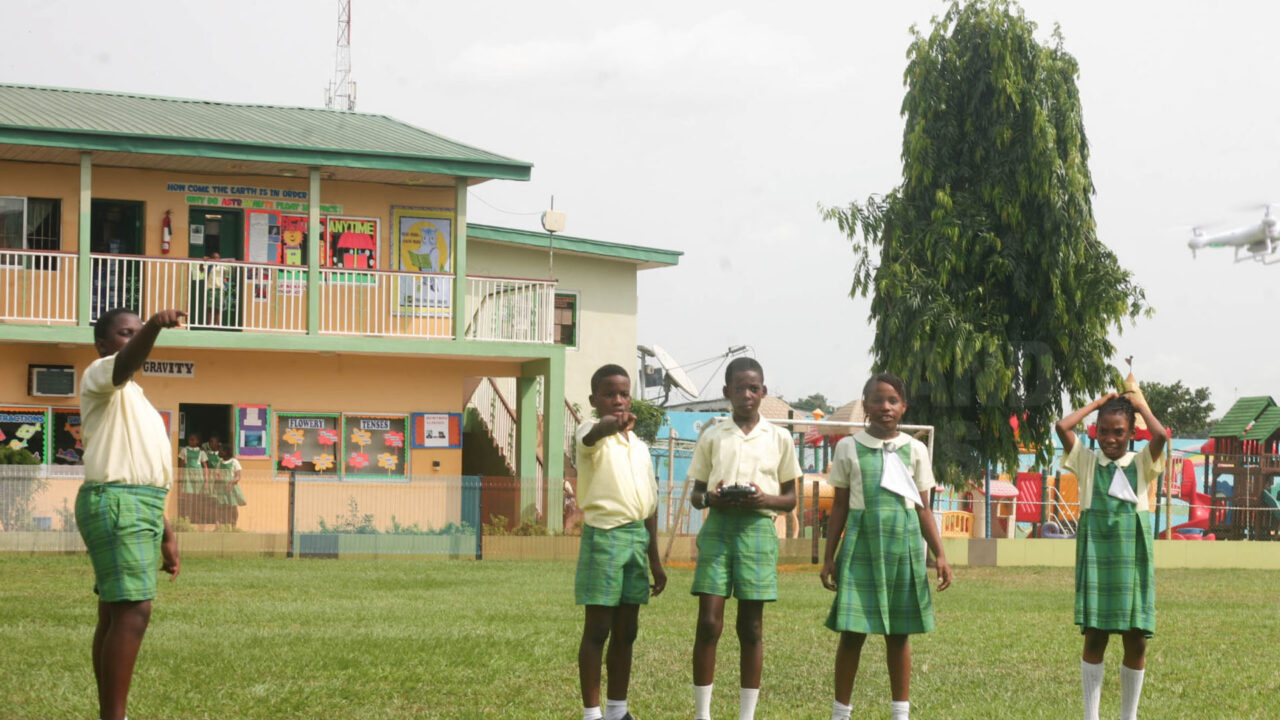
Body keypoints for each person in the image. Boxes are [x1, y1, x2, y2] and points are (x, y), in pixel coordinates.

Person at [819, 373, 952, 720]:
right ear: (865, 406)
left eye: (893, 400)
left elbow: (923, 509)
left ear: (904, 406)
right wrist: (829, 557)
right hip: (860, 545)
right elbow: (840, 506)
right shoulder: (848, 447)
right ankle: (840, 713)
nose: (885, 407)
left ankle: (900, 713)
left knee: (898, 634)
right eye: (877, 400)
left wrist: (940, 554)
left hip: (902, 546)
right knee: (852, 633)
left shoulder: (916, 449)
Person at [76, 307, 184, 720]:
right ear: (102, 344)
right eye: (126, 333)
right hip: (119, 500)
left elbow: (142, 467)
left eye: (137, 331)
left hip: (139, 503)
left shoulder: (135, 397)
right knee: (134, 610)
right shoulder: (102, 373)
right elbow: (125, 362)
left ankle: (111, 714)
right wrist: (154, 325)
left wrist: (166, 532)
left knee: (115, 611)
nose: (134, 338)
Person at [688, 357, 800, 720]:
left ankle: (746, 715)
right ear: (727, 392)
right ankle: (702, 714)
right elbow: (696, 495)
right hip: (719, 528)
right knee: (709, 623)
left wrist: (762, 499)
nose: (747, 395)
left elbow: (790, 499)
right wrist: (711, 498)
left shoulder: (779, 438)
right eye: (740, 388)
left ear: (763, 391)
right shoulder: (713, 435)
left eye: (754, 388)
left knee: (751, 627)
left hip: (757, 531)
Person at [1055, 392, 1166, 720]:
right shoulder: (1087, 462)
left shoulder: (1141, 463)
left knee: (1136, 640)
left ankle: (1128, 716)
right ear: (1096, 431)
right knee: (1095, 637)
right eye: (1103, 431)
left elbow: (1160, 436)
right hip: (1097, 558)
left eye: (1119, 432)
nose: (1110, 438)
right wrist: (1098, 403)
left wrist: (1140, 405)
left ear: (1132, 432)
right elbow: (1062, 427)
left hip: (1132, 559)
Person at [575, 364, 666, 720]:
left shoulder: (640, 447)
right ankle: (592, 713)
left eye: (624, 394)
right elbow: (594, 433)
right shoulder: (590, 434)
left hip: (636, 540)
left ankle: (617, 710)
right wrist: (610, 425)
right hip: (605, 536)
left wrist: (655, 560)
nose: (618, 400)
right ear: (594, 399)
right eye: (609, 394)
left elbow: (650, 505)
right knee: (598, 628)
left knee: (627, 630)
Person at [177, 432, 209, 524]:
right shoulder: (184, 450)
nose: (190, 441)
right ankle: (188, 519)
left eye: (193, 440)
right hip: (187, 477)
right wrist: (180, 478)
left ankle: (196, 519)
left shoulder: (201, 452)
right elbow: (181, 465)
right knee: (188, 500)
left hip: (198, 478)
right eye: (189, 439)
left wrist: (206, 481)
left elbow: (205, 467)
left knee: (197, 500)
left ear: (197, 441)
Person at [215, 444, 245, 528]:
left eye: (221, 451)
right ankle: (219, 526)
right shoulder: (220, 462)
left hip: (231, 488)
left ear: (226, 452)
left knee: (233, 507)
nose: (219, 452)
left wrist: (231, 483)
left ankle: (233, 525)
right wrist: (215, 485)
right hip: (221, 488)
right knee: (220, 506)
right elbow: (217, 475)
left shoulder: (234, 462)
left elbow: (238, 476)